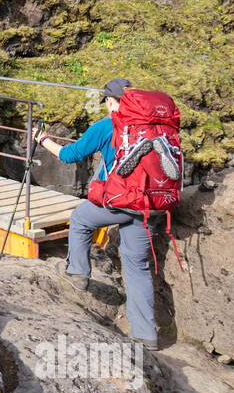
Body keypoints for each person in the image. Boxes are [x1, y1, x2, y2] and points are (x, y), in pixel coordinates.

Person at [37, 78, 159, 349]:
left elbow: (71, 155)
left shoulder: (108, 125)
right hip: (149, 204)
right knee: (137, 267)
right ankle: (146, 334)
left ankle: (78, 274)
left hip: (118, 202)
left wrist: (43, 140)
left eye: (107, 100)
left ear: (110, 101)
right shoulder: (155, 127)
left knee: (80, 218)